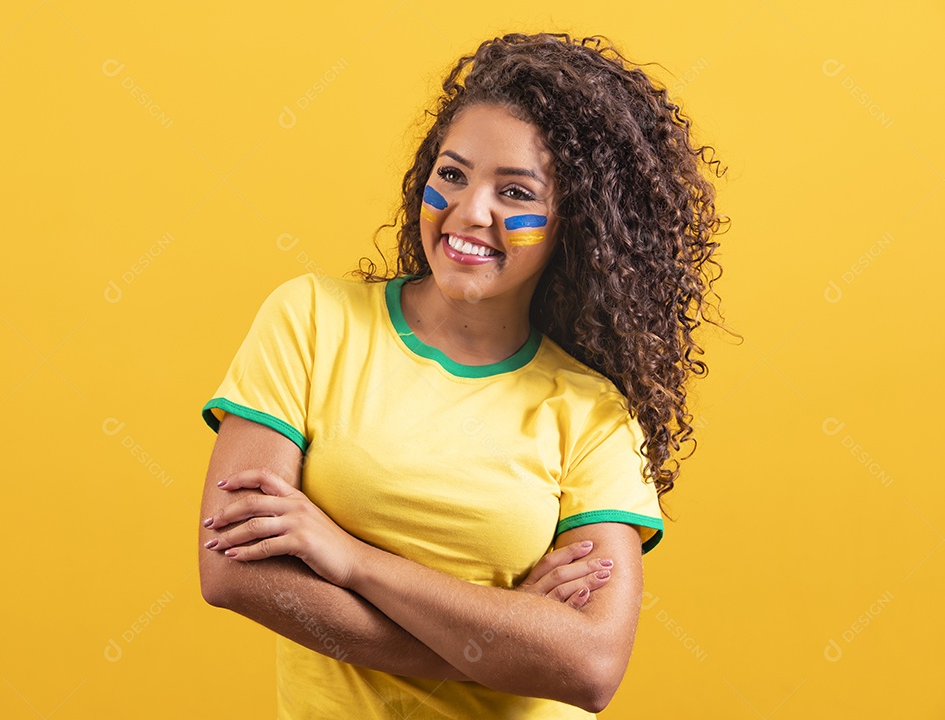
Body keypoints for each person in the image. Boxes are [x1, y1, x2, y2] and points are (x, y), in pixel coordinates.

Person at [198, 32, 729, 719]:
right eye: (452, 174)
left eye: (515, 192)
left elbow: (591, 666)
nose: (470, 211)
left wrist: (348, 558)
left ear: (578, 223)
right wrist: (503, 643)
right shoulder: (310, 320)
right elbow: (234, 570)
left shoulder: (592, 411)